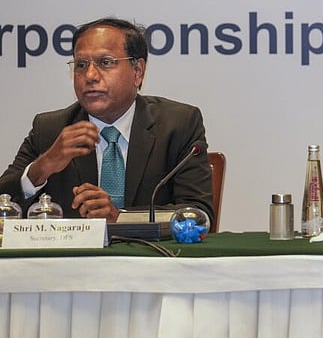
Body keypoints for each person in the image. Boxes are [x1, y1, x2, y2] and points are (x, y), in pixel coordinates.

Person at [0, 18, 214, 223]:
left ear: (138, 71)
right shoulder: (51, 129)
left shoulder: (178, 124)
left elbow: (197, 214)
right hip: (74, 261)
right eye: (81, 65)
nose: (90, 75)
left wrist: (120, 217)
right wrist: (40, 169)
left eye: (105, 62)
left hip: (149, 259)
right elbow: (4, 202)